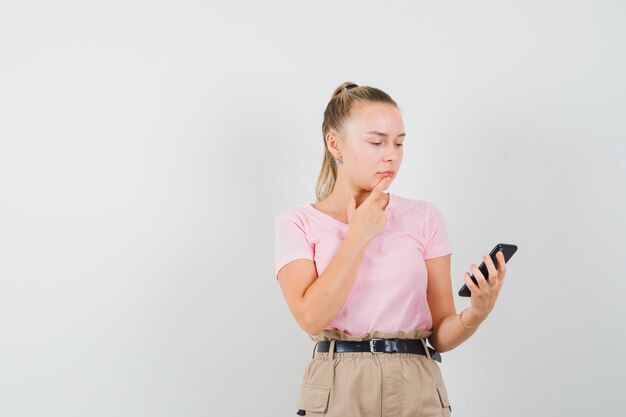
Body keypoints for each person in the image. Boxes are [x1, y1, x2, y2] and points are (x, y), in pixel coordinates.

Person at [274, 82, 507, 417]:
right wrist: (358, 237)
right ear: (334, 144)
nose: (391, 155)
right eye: (376, 141)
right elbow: (311, 318)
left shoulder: (425, 216)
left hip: (415, 384)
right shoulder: (297, 221)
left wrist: (478, 312)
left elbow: (441, 334)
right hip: (337, 384)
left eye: (399, 143)